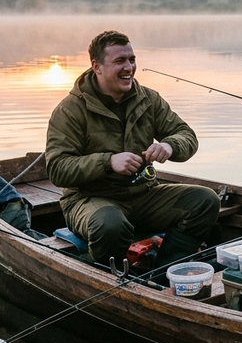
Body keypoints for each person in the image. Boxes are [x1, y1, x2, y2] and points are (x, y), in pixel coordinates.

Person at [45, 30, 220, 270]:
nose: (129, 67)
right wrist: (108, 162)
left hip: (144, 194)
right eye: (120, 61)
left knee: (206, 200)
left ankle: (163, 272)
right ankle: (111, 278)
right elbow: (57, 169)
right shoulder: (69, 110)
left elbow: (187, 136)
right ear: (97, 67)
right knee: (110, 226)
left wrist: (169, 146)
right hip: (89, 200)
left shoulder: (148, 99)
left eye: (132, 59)